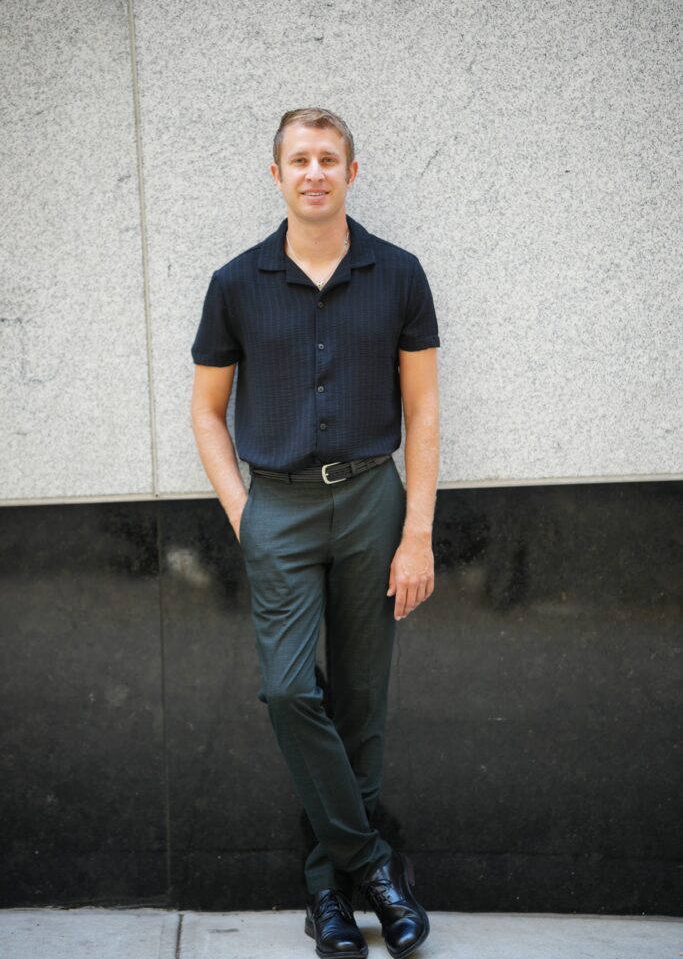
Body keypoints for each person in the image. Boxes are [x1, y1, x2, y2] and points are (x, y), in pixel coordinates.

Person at [190, 107, 440, 959]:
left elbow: (423, 411)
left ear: (351, 172)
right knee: (290, 691)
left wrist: (417, 535)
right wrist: (244, 513)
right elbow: (207, 412)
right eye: (299, 160)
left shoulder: (398, 274)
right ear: (277, 175)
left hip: (373, 501)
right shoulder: (236, 283)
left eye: (328, 159)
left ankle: (328, 895)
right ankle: (372, 867)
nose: (314, 173)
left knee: (362, 704)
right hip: (279, 508)